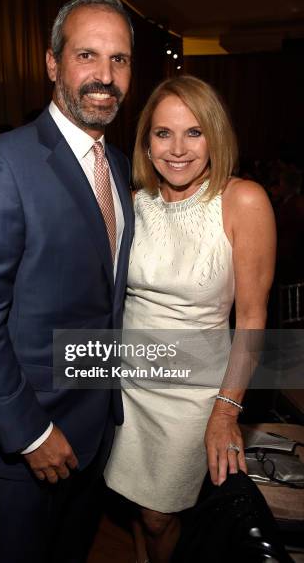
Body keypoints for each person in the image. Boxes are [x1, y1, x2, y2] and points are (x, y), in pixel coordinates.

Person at [0, 0, 134, 563]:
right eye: (87, 56)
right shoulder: (2, 163)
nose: (105, 76)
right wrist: (31, 433)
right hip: (26, 443)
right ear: (52, 64)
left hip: (95, 430)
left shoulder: (119, 165)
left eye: (119, 59)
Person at [104, 75, 276, 563]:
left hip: (192, 394)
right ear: (146, 141)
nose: (177, 149)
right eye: (163, 133)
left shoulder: (243, 200)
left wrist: (226, 411)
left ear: (215, 135)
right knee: (136, 504)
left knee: (161, 513)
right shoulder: (136, 203)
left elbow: (254, 318)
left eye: (194, 132)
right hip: (127, 384)